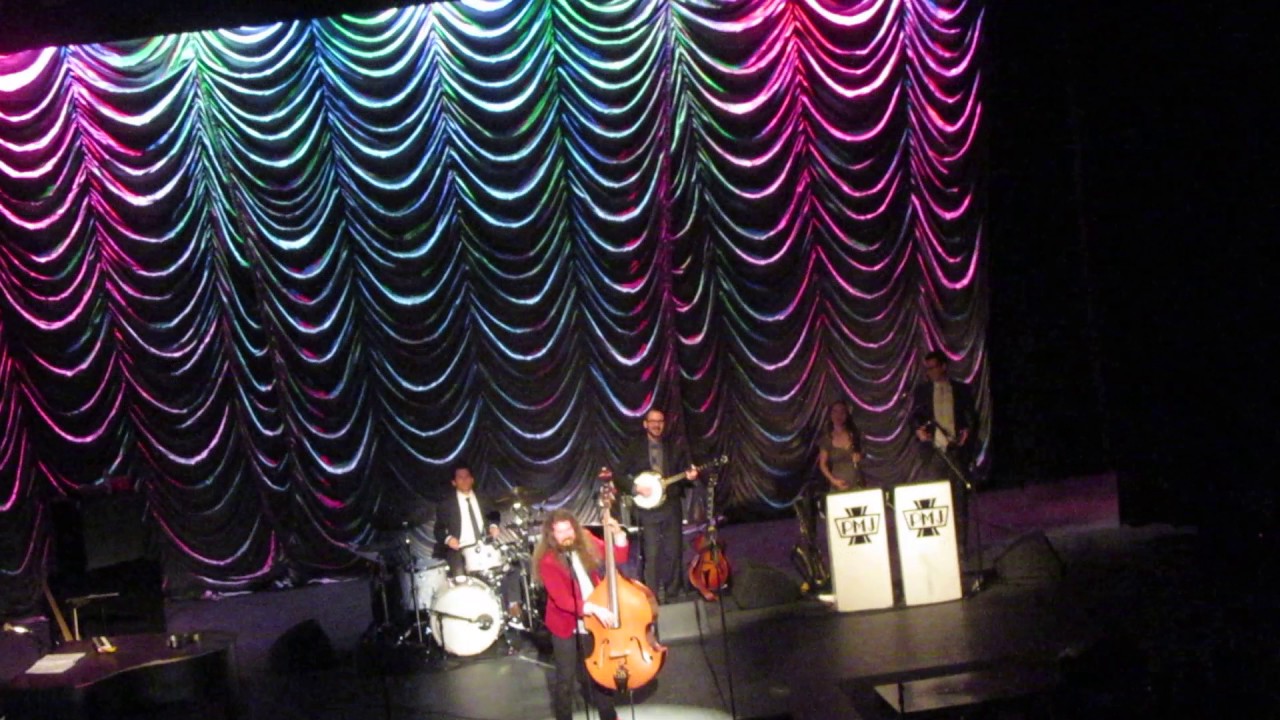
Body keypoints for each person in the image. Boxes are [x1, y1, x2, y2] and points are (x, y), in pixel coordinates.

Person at [534, 508, 629, 720]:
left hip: (592, 621)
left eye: (569, 529)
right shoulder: (548, 561)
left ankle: (609, 716)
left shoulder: (585, 539)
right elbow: (563, 601)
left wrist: (618, 535)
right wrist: (593, 608)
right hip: (565, 625)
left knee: (598, 672)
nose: (566, 535)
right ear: (551, 535)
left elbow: (617, 557)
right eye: (560, 532)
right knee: (565, 680)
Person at [615, 409, 698, 603]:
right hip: (647, 510)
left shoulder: (674, 446)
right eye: (652, 421)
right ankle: (651, 597)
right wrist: (636, 488)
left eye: (660, 421)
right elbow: (619, 476)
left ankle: (673, 594)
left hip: (671, 505)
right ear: (645, 424)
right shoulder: (634, 447)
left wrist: (690, 477)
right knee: (651, 554)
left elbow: (682, 475)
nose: (657, 424)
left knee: (674, 551)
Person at [434, 464, 522, 621]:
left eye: (467, 477)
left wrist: (494, 525)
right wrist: (449, 539)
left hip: (485, 545)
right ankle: (470, 616)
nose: (464, 480)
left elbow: (494, 514)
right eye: (460, 478)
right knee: (461, 582)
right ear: (454, 482)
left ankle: (513, 605)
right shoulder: (446, 504)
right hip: (460, 549)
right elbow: (439, 529)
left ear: (472, 479)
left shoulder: (482, 497)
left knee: (511, 566)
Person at [910, 351, 979, 554]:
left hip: (955, 451)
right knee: (936, 499)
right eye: (927, 368)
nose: (929, 372)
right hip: (934, 452)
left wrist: (967, 431)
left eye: (932, 367)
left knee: (958, 500)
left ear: (943, 366)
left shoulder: (960, 389)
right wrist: (918, 431)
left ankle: (960, 546)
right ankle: (940, 545)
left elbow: (971, 418)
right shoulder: (922, 391)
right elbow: (914, 418)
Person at [817, 399, 866, 492]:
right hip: (838, 485)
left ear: (846, 414)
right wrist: (834, 481)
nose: (838, 415)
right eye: (835, 411)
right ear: (830, 414)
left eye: (842, 411)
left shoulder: (854, 434)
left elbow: (864, 453)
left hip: (857, 483)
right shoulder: (827, 438)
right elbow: (822, 465)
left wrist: (860, 456)